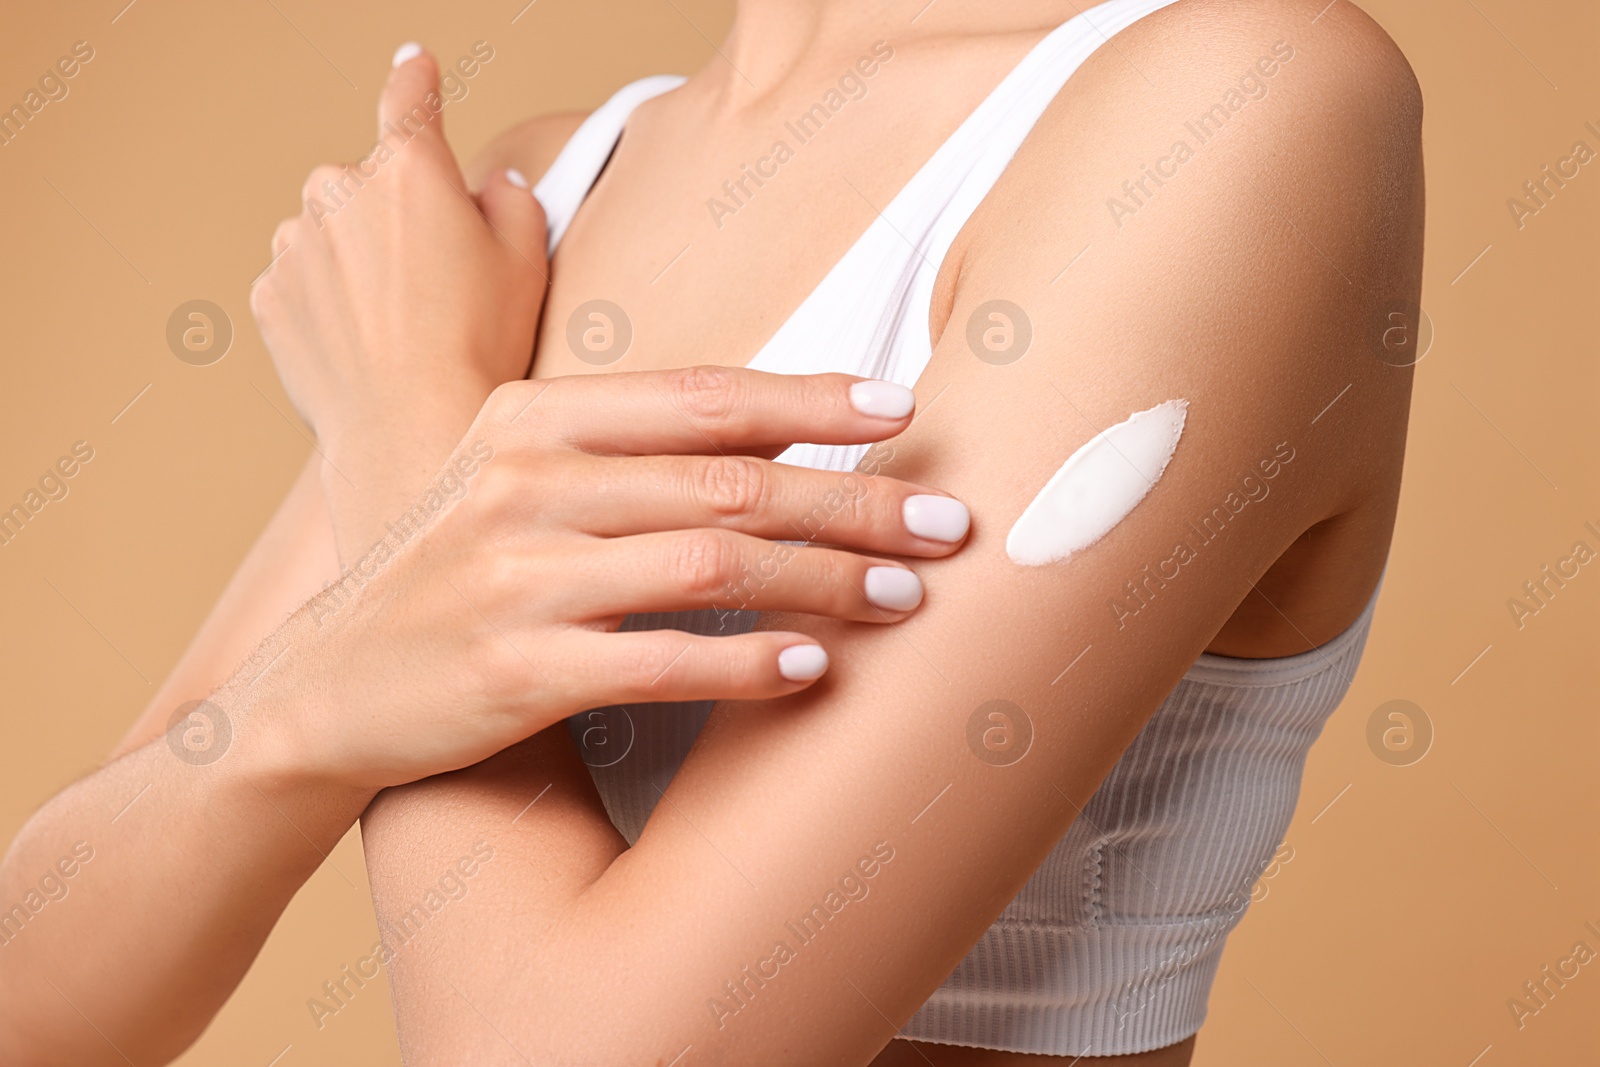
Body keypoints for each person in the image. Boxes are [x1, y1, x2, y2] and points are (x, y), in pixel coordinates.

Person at [0, 0, 1423, 1063]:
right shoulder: (547, 190)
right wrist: (329, 679)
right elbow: (44, 996)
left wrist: (412, 458)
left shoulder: (1236, 106)